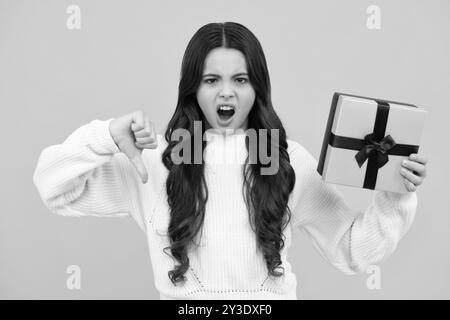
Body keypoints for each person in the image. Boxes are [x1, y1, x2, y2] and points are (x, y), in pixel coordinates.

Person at [32, 22, 428, 300]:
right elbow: (54, 190)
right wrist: (104, 137)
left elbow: (353, 250)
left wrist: (396, 196)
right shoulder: (155, 159)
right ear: (193, 89)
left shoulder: (282, 156)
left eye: (240, 80)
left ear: (257, 88)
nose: (227, 94)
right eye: (211, 80)